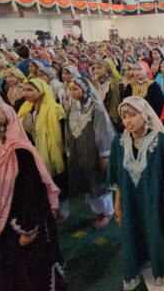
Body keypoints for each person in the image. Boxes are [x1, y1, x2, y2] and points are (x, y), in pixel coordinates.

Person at [0, 99, 65, 291]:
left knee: (25, 275)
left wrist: (27, 228)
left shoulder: (18, 152)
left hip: (15, 228)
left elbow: (32, 194)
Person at [107, 96, 164, 291]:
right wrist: (117, 205)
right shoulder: (118, 142)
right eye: (124, 116)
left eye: (133, 115)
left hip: (156, 206)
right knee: (137, 243)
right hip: (131, 207)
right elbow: (117, 177)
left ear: (145, 115)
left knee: (159, 244)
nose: (128, 120)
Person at [65, 77, 116, 229]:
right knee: (87, 183)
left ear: (85, 89)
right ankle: (97, 212)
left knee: (98, 183)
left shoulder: (96, 109)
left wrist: (104, 155)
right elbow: (68, 132)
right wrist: (69, 151)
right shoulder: (72, 109)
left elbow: (103, 133)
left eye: (76, 89)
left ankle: (107, 212)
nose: (72, 92)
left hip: (94, 153)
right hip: (79, 152)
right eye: (71, 89)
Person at [93, 59, 125, 130]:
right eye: (94, 68)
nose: (96, 70)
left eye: (99, 68)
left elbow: (122, 102)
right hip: (98, 117)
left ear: (107, 68)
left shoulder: (117, 84)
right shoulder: (94, 83)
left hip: (112, 118)